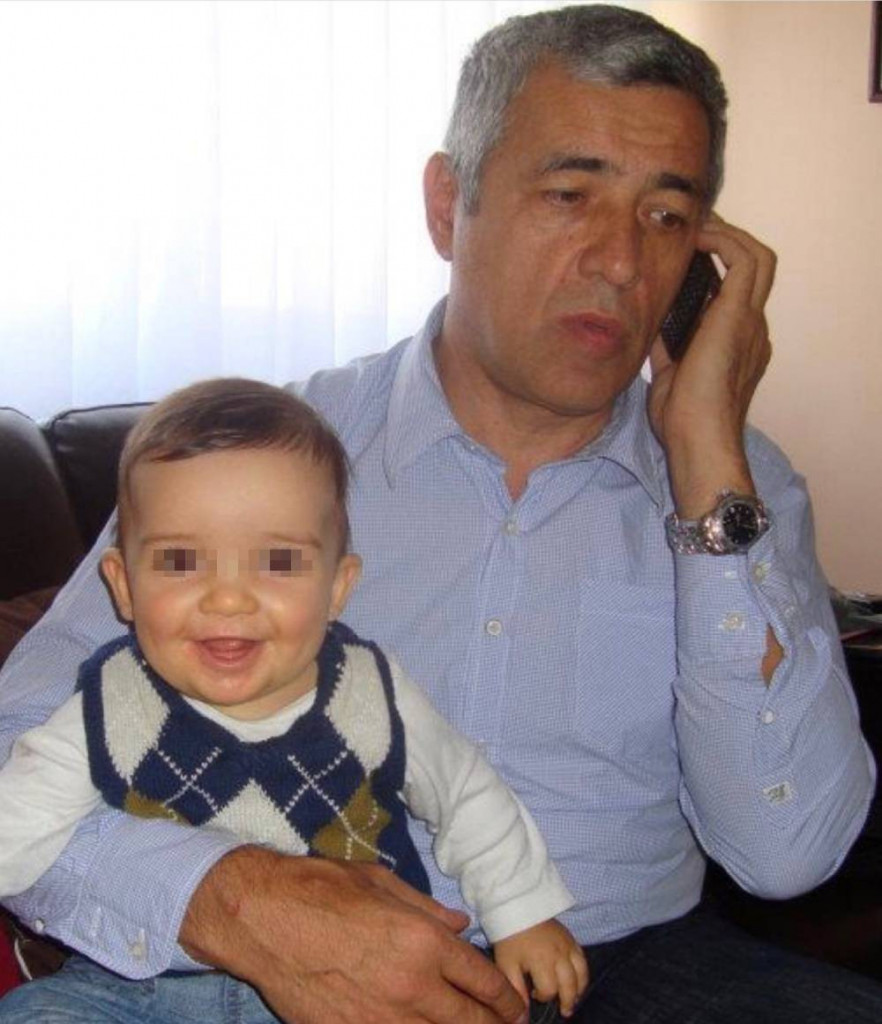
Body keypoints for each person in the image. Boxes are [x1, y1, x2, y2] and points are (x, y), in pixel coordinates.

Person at [0, 5, 878, 1023]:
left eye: (667, 216)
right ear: (448, 204)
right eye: (570, 194)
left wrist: (709, 466)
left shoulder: (735, 490)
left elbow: (786, 854)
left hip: (620, 969)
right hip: (264, 969)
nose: (621, 262)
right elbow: (15, 744)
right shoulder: (253, 459)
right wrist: (232, 898)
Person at [0, 378, 587, 1021]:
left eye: (278, 561)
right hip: (143, 985)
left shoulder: (371, 693)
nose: (228, 598)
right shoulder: (110, 704)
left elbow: (467, 795)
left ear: (337, 588)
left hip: (352, 989)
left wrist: (522, 914)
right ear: (122, 585)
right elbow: (17, 823)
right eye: (180, 560)